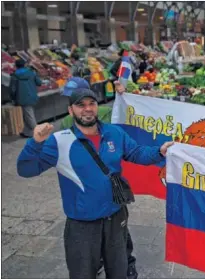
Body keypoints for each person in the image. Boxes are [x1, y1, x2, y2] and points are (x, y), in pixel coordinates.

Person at [17, 88, 174, 279]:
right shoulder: (59, 141)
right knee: (83, 274)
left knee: (119, 272)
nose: (87, 109)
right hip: (82, 225)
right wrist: (35, 143)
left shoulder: (114, 133)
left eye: (91, 104)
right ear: (70, 110)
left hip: (116, 217)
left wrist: (160, 151)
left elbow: (136, 153)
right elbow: (26, 170)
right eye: (81, 105)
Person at [59, 77, 138, 278]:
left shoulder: (79, 119)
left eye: (88, 102)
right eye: (75, 101)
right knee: (117, 237)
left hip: (107, 194)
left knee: (118, 236)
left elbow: (117, 118)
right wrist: (123, 96)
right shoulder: (69, 125)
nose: (84, 108)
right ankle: (123, 264)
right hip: (91, 199)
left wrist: (122, 96)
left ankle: (123, 262)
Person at [9, 59, 43, 138]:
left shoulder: (14, 76)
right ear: (24, 65)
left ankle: (38, 132)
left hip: (22, 98)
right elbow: (39, 83)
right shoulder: (32, 72)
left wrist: (12, 98)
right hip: (33, 96)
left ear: (16, 66)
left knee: (29, 115)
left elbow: (12, 89)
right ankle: (27, 132)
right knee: (27, 114)